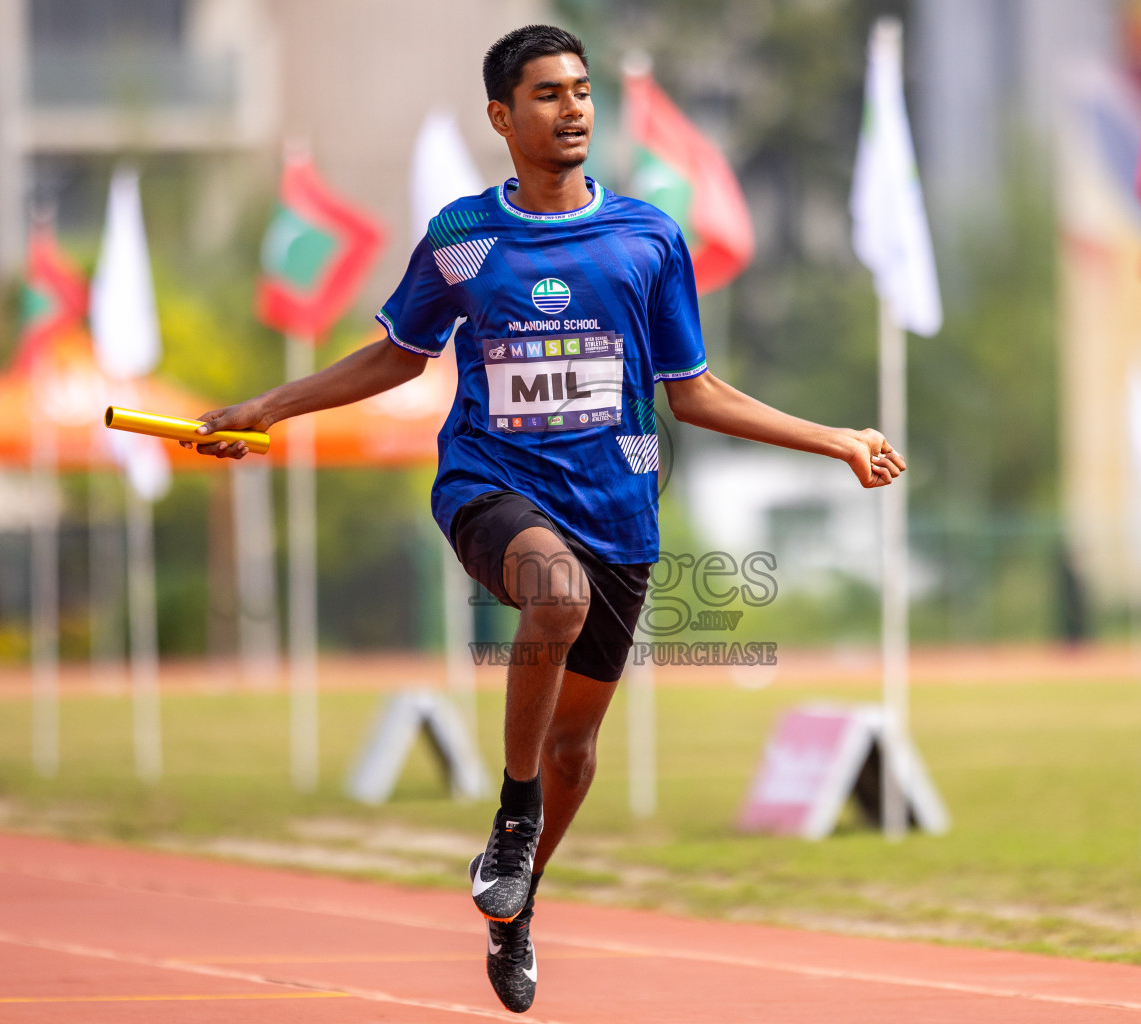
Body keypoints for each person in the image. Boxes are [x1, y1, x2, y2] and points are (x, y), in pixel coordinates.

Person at [185, 23, 905, 1014]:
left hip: (617, 511)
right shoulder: (462, 235)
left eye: (580, 91)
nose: (570, 109)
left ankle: (517, 904)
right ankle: (512, 814)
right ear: (502, 115)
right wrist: (272, 404)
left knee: (577, 749)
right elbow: (396, 355)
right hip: (488, 485)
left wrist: (835, 437)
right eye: (546, 94)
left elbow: (691, 392)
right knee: (551, 597)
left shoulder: (647, 238)